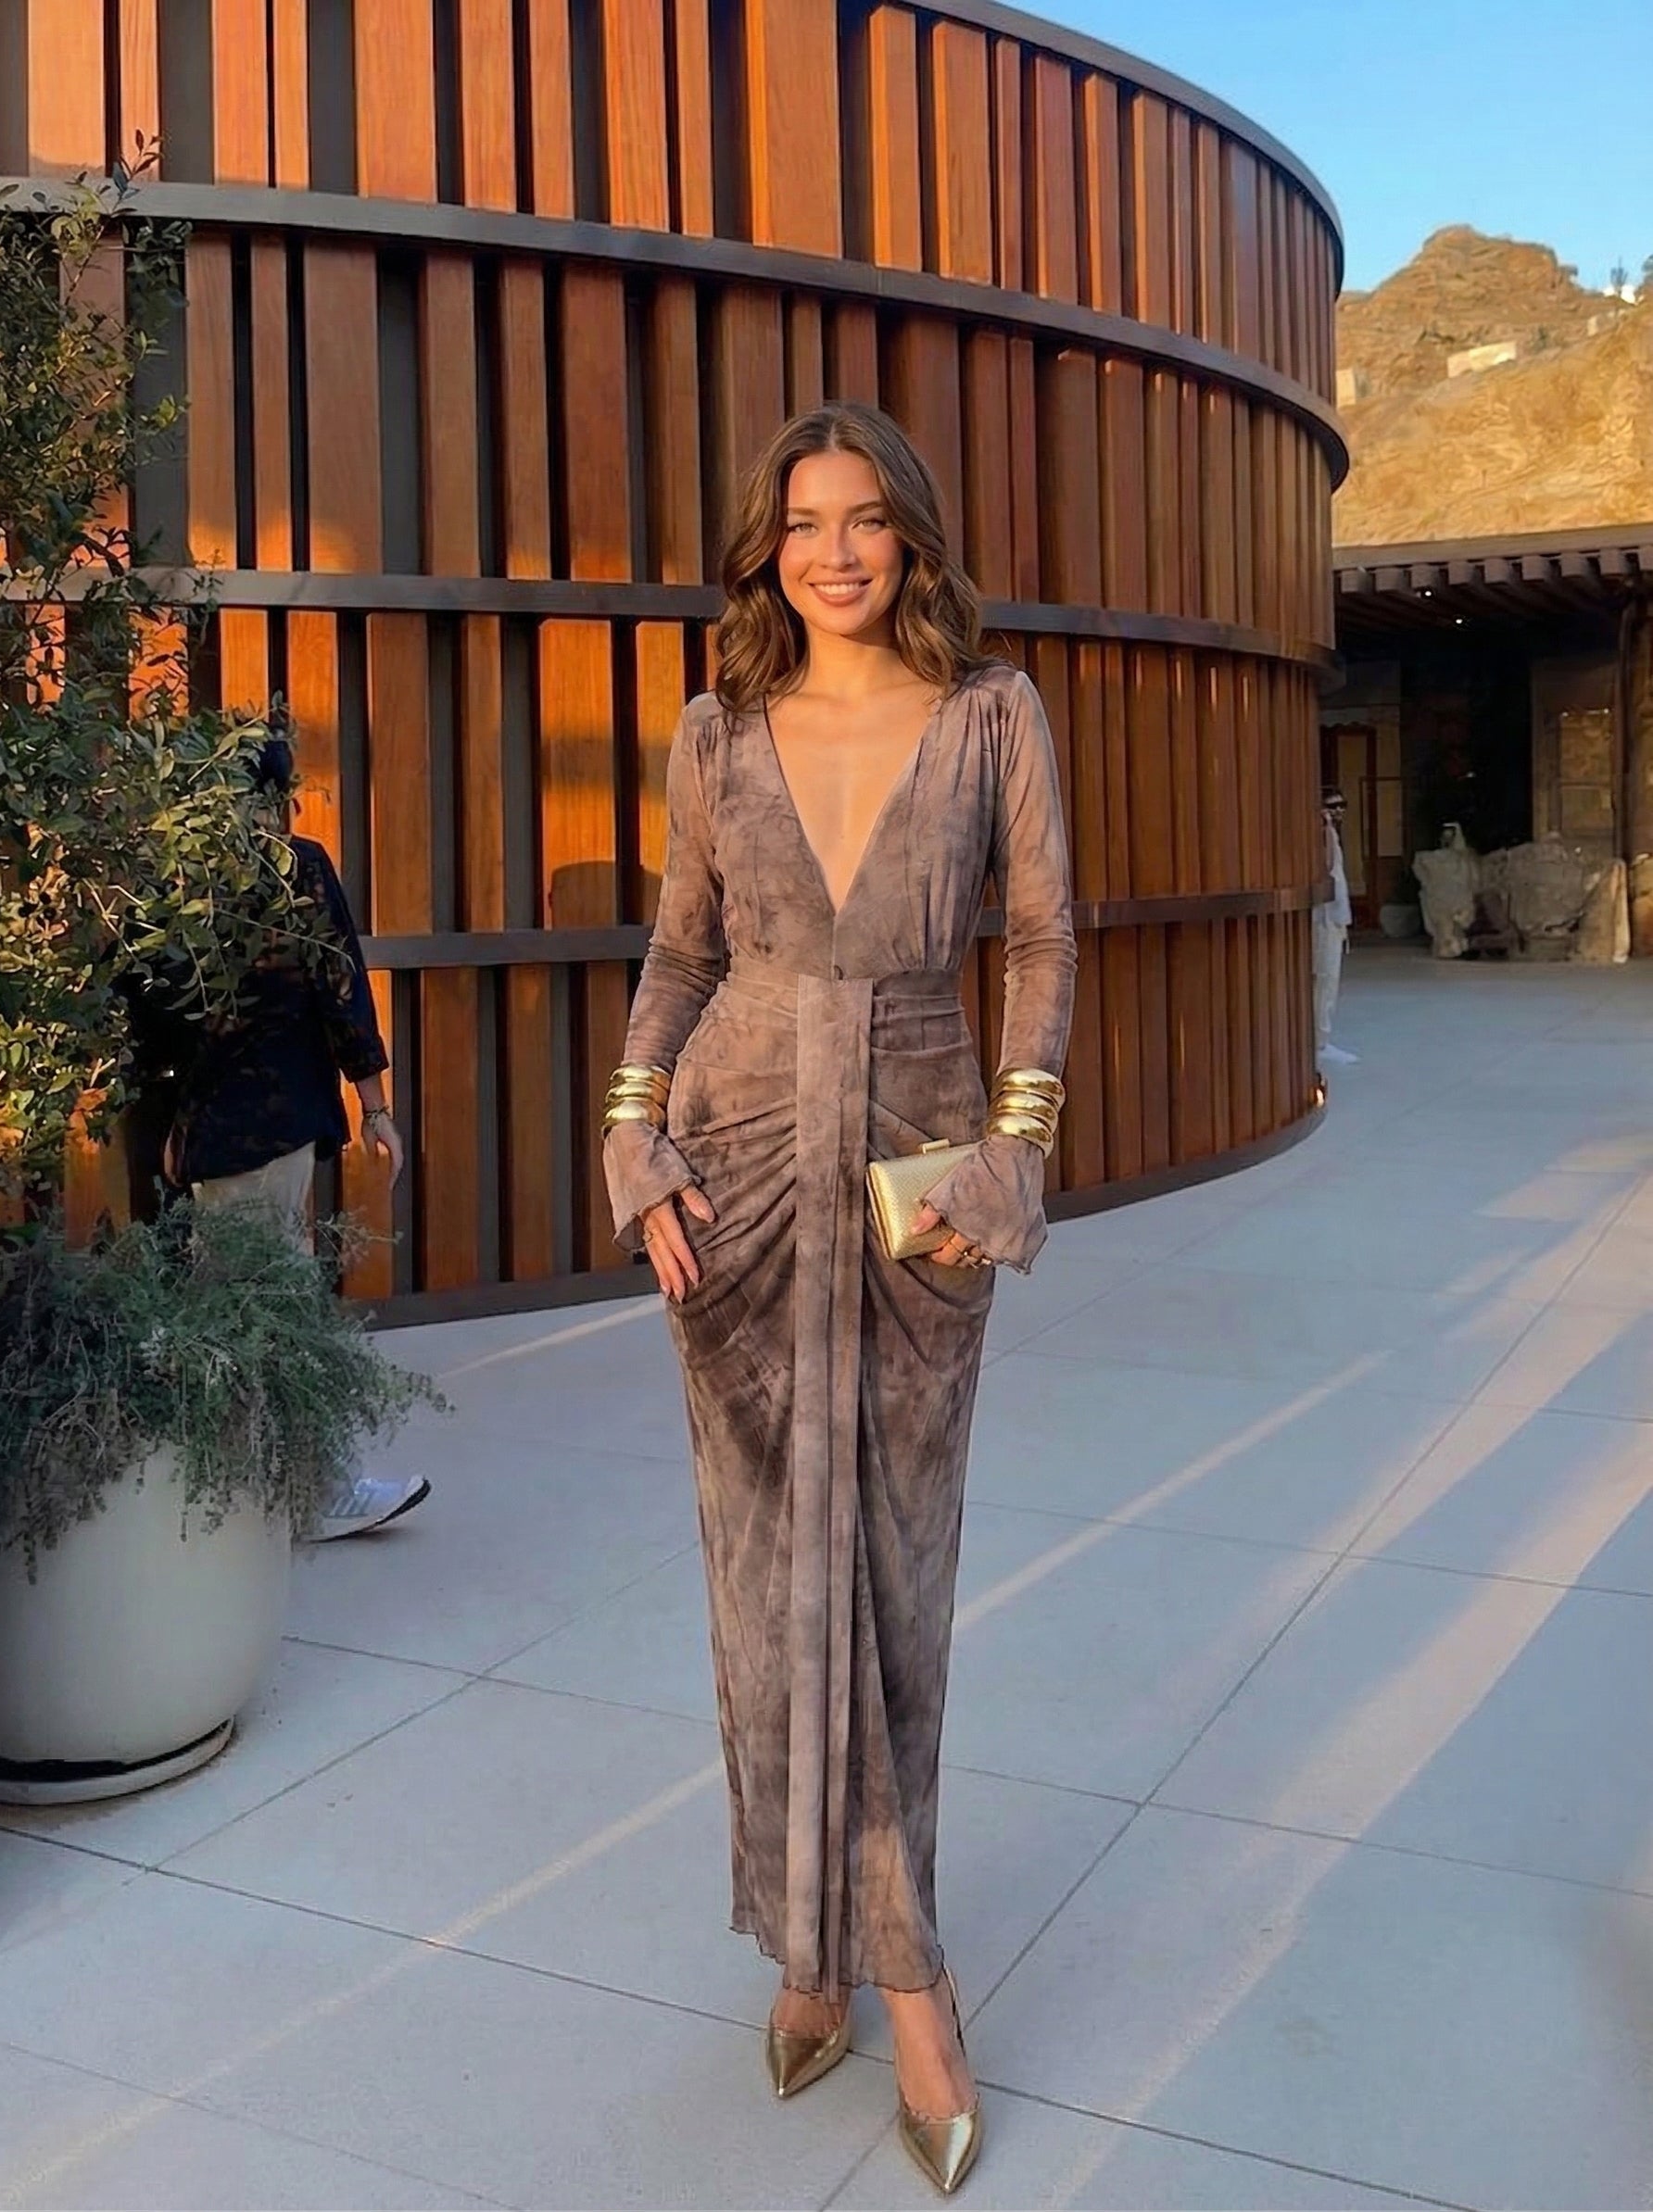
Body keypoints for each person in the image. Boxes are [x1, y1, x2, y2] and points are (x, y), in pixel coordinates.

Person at [601, 403, 1076, 2193]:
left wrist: (1012, 1150)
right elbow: (681, 948)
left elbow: (1044, 938)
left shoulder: (992, 712)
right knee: (766, 1588)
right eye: (802, 522)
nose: (834, 551)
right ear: (766, 546)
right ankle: (837, 1956)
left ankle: (887, 1963)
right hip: (729, 1174)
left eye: (865, 517)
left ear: (912, 536)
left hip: (913, 1186)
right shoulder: (713, 728)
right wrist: (631, 1133)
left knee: (887, 1578)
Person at [136, 728, 428, 1542]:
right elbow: (341, 985)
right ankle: (312, 1492)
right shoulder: (292, 868)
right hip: (269, 1118)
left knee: (239, 1297)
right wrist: (375, 1106)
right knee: (272, 1302)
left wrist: (165, 1124)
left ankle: (251, 1488)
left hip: (206, 1126)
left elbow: (146, 1015)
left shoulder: (171, 877)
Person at [1314, 786, 1357, 1069]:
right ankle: (1319, 1040)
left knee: (1330, 980)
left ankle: (1321, 1037)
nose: (1338, 811)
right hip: (1323, 918)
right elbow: (1328, 866)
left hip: (1335, 917)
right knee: (1324, 978)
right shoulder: (1323, 836)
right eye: (1332, 807)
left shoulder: (1332, 835)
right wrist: (1326, 829)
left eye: (1342, 806)